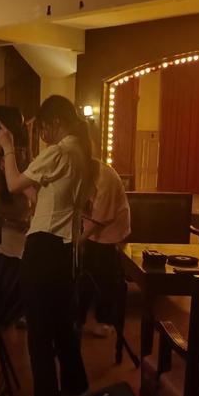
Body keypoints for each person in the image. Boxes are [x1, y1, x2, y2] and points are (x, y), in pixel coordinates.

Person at [0, 95, 96, 396]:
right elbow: (47, 199)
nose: (42, 135)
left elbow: (12, 184)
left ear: (56, 122)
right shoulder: (81, 154)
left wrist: (7, 148)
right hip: (63, 252)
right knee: (62, 328)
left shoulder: (59, 152)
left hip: (43, 250)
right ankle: (76, 391)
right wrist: (26, 184)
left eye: (43, 128)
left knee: (40, 332)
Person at [77, 124, 131, 338]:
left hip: (111, 234)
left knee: (103, 276)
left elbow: (100, 218)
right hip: (92, 231)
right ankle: (79, 318)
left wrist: (78, 241)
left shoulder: (105, 177)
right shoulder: (82, 172)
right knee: (84, 274)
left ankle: (104, 321)